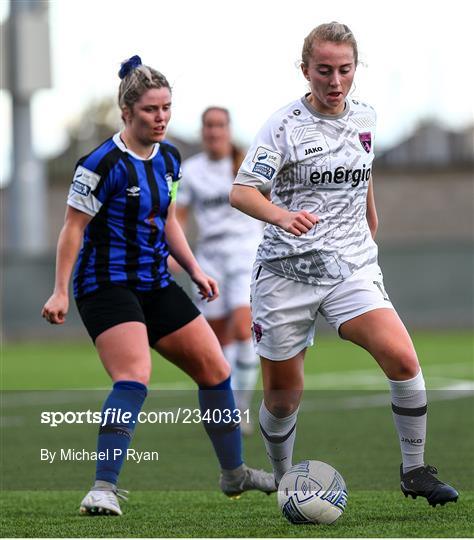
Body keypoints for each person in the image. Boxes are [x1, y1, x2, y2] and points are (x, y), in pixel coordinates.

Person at [229, 22, 458, 508]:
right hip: (285, 275)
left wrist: (370, 214)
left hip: (351, 265)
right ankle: (285, 478)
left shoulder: (367, 115)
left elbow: (363, 168)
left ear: (356, 69)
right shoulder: (283, 125)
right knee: (282, 400)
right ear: (305, 70)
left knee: (402, 359)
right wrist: (282, 214)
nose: (335, 82)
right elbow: (242, 191)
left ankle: (414, 470)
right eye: (324, 71)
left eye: (344, 70)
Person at [41, 55, 275, 517]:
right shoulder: (100, 163)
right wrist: (60, 290)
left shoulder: (169, 158)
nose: (161, 117)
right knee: (134, 375)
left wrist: (193, 268)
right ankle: (102, 488)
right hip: (105, 285)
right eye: (151, 109)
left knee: (215, 369)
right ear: (127, 112)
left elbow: (168, 221)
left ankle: (234, 473)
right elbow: (72, 228)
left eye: (167, 107)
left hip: (155, 281)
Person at [174, 107, 263, 435]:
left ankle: (240, 409)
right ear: (202, 131)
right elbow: (178, 216)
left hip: (245, 254)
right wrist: (174, 252)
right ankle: (226, 409)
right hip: (209, 260)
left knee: (242, 328)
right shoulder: (190, 170)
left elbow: (270, 200)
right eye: (208, 126)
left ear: (228, 128)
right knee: (217, 338)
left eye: (219, 125)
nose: (214, 131)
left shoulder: (246, 164)